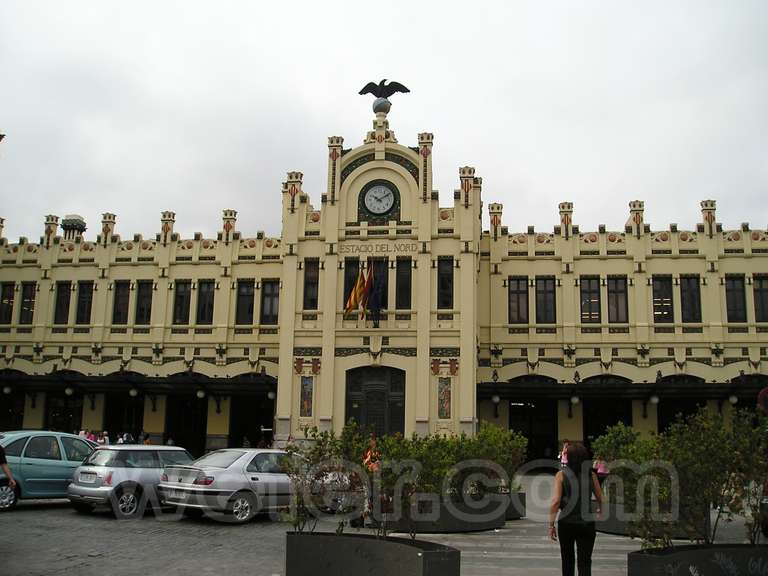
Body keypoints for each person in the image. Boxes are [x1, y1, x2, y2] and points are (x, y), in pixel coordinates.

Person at [549, 442, 603, 576]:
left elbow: (555, 501)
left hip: (566, 523)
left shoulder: (561, 475)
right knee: (585, 561)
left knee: (567, 560)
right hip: (587, 523)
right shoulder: (591, 475)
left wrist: (551, 524)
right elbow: (601, 497)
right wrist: (600, 510)